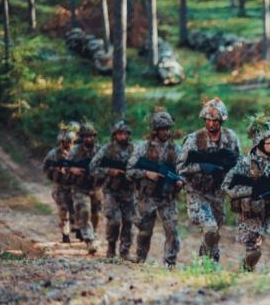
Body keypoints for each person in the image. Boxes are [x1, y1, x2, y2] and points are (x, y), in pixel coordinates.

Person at [223, 113, 270, 273]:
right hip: (252, 215)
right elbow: (227, 186)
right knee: (254, 254)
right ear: (259, 142)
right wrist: (253, 190)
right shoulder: (245, 163)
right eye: (268, 143)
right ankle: (246, 273)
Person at [178, 99, 240, 263]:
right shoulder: (194, 139)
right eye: (208, 120)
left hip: (217, 192)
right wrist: (201, 167)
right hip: (196, 191)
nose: (211, 124)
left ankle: (209, 261)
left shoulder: (231, 138)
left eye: (215, 120)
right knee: (210, 228)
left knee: (214, 231)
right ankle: (206, 262)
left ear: (221, 120)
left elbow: (238, 163)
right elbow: (180, 167)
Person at [127, 110, 184, 267]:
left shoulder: (177, 149)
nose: (166, 132)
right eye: (162, 129)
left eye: (168, 128)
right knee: (145, 231)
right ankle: (140, 259)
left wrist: (180, 181)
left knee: (172, 231)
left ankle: (169, 263)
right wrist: (146, 173)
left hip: (167, 198)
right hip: (147, 197)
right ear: (155, 130)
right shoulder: (142, 148)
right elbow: (129, 171)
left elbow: (183, 171)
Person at [89, 120, 136, 259]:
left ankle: (125, 251)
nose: (123, 137)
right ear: (114, 135)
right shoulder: (107, 149)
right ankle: (111, 249)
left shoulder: (134, 149)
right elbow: (92, 168)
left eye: (125, 134)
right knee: (114, 220)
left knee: (128, 221)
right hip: (111, 191)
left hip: (128, 191)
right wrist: (109, 171)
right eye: (120, 134)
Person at [68, 122, 103, 254]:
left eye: (91, 136)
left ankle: (93, 233)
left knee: (96, 213)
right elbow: (65, 164)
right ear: (81, 137)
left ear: (94, 137)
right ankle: (89, 239)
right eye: (85, 136)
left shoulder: (100, 150)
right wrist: (73, 169)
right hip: (80, 187)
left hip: (96, 186)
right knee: (85, 210)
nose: (88, 139)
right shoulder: (75, 150)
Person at [42, 124, 78, 244]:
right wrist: (56, 171)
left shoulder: (77, 152)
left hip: (75, 185)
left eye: (72, 141)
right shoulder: (54, 154)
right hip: (60, 185)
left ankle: (78, 229)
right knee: (63, 209)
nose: (70, 144)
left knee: (78, 207)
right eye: (68, 142)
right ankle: (65, 234)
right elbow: (45, 168)